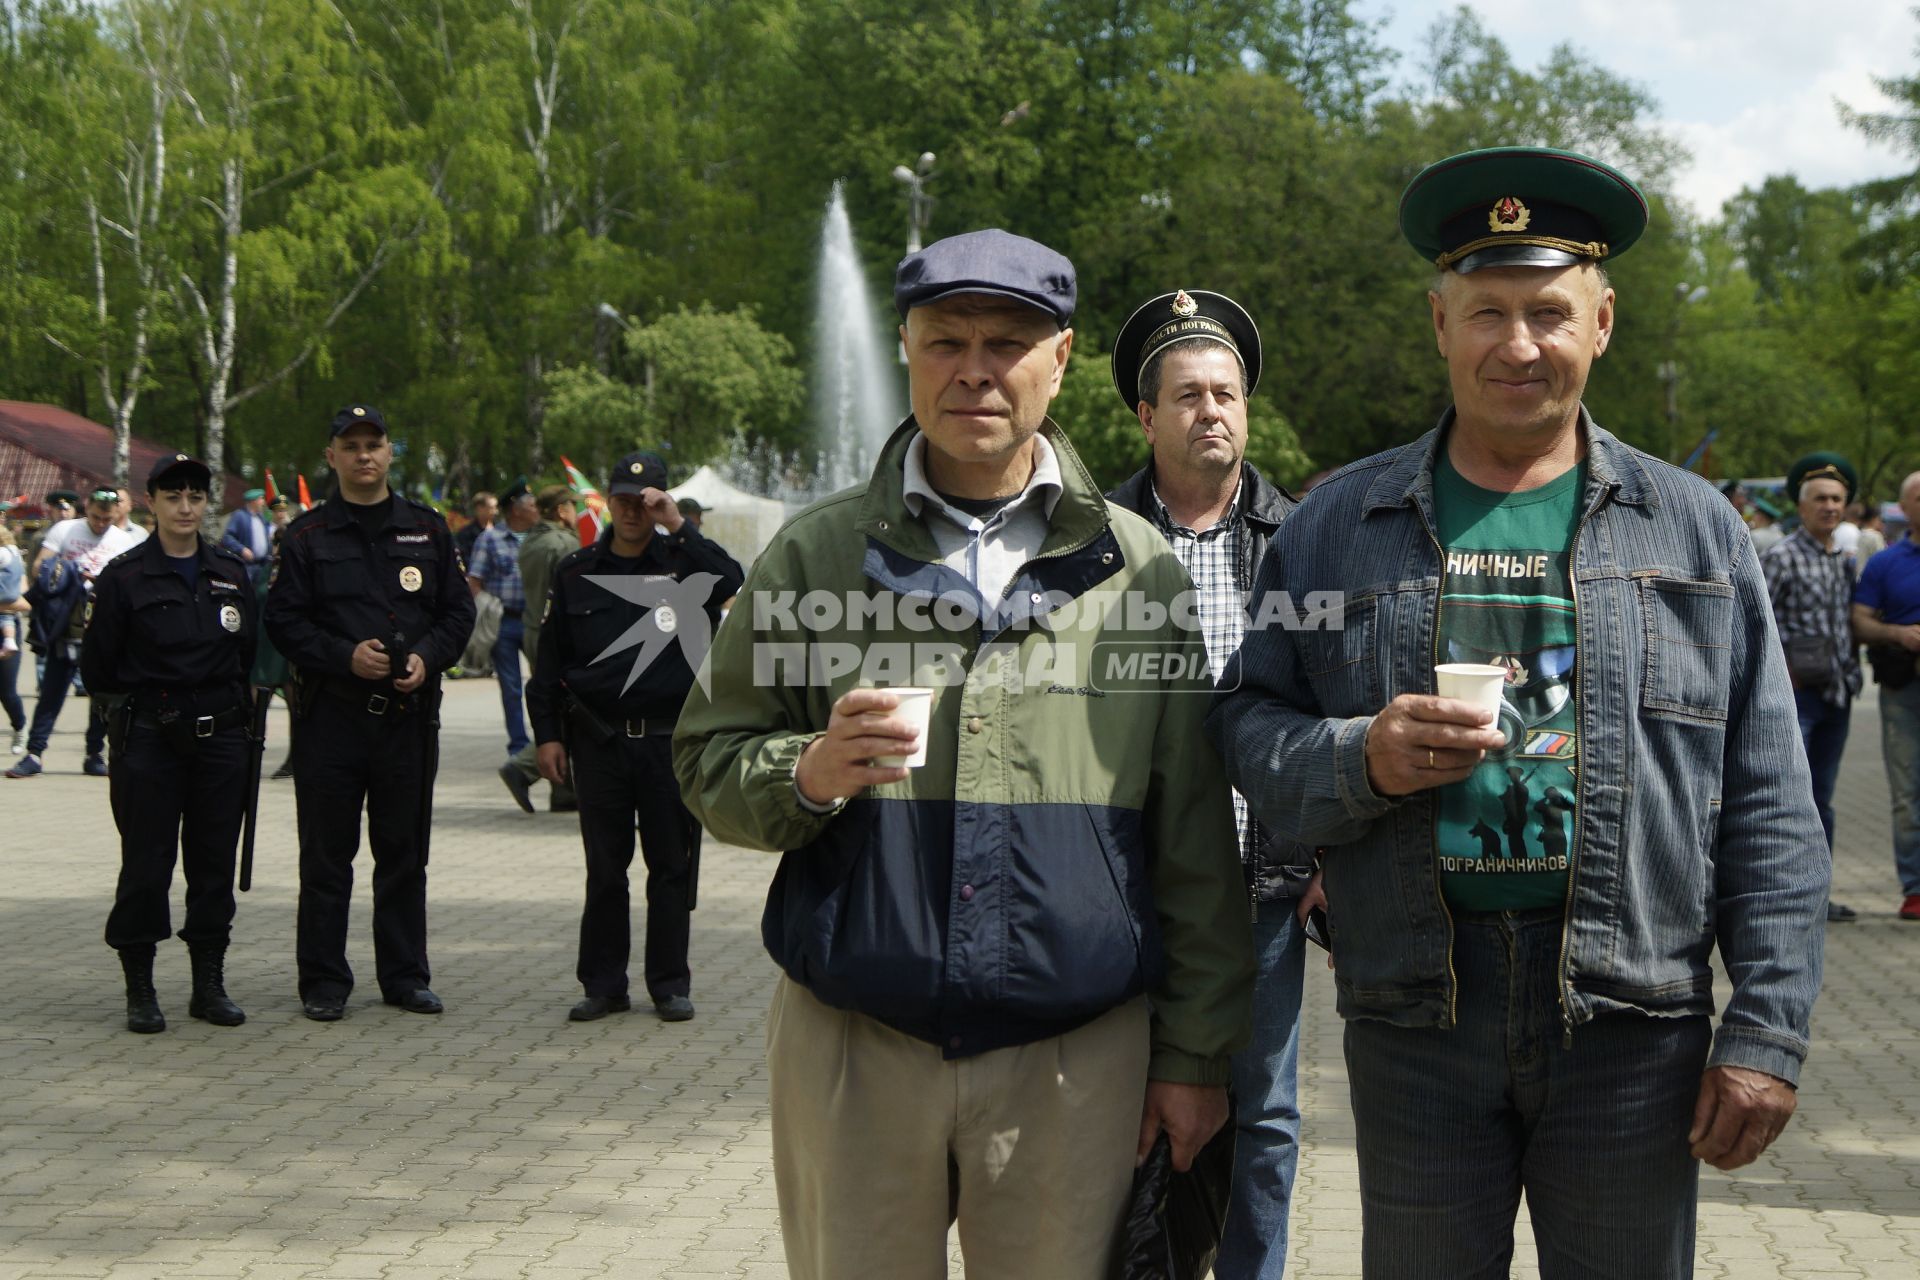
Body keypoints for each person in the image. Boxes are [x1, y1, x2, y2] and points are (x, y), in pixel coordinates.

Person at [1209, 147, 1829, 1279]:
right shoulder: (1338, 524)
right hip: (1417, 1014)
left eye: (1548, 310)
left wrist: (1767, 1030)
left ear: (1601, 321)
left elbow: (1773, 802)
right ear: (1439, 321)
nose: (1518, 343)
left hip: (1631, 1016)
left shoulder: (1694, 533)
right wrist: (1364, 760)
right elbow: (1245, 722)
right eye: (1487, 311)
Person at [674, 228, 1252, 1278]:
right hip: (855, 1045)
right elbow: (707, 761)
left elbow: (1195, 838)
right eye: (946, 341)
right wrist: (807, 772)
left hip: (1075, 1060)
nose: (976, 368)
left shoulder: (1138, 570)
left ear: (1062, 358)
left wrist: (1196, 1054)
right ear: (905, 348)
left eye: (1008, 341)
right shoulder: (817, 552)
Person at [1105, 287, 1305, 1279]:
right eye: (1188, 394)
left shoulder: (1300, 539)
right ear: (1148, 416)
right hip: (1130, 885)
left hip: (1265, 884)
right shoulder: (1088, 542)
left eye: (1227, 392)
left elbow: (1334, 705)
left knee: (1264, 1118)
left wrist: (1323, 851)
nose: (1212, 410)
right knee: (1126, 1109)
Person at [265, 404, 475, 1022]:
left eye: (374, 444)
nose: (363, 455)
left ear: (389, 453)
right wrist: (342, 656)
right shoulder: (305, 536)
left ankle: (406, 976)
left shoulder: (429, 529)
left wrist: (428, 659)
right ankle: (325, 982)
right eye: (350, 445)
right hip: (332, 717)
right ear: (331, 456)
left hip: (407, 720)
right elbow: (282, 621)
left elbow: (456, 614)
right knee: (327, 857)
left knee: (404, 854)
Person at [529, 453, 741, 1023]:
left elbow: (735, 580)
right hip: (598, 743)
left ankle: (669, 984)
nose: (631, 510)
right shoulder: (575, 571)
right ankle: (603, 985)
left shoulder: (683, 566)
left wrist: (677, 524)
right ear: (608, 500)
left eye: (644, 500)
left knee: (670, 867)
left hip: (670, 741)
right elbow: (549, 663)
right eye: (623, 498)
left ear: (659, 501)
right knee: (605, 868)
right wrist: (547, 736)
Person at [81, 453, 255, 1034]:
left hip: (220, 737)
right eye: (173, 496)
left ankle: (208, 984)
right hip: (151, 737)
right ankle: (140, 987)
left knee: (213, 864)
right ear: (150, 501)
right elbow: (99, 666)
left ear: (207, 504)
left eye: (196, 497)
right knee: (147, 864)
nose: (186, 507)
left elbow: (246, 654)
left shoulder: (230, 570)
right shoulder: (124, 575)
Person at [1762, 452, 1862, 925]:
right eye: (1820, 498)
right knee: (1790, 796)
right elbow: (1754, 621)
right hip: (1795, 696)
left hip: (1837, 695)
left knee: (1822, 794)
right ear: (1801, 507)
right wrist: (1781, 670)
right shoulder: (1780, 557)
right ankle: (1784, 895)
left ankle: (1818, 893)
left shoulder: (1844, 560)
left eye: (1837, 500)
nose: (1829, 507)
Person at [8, 488, 134, 778]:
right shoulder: (66, 530)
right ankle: (35, 753)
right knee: (52, 690)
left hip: (103, 625)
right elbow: (41, 565)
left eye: (107, 518)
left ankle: (94, 754)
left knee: (99, 694)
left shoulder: (122, 540)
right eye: (95, 517)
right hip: (67, 623)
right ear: (86, 508)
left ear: (116, 513)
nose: (101, 523)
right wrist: (67, 573)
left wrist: (103, 581)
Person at [1853, 470, 1920, 921]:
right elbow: (1860, 621)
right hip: (1903, 689)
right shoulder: (1885, 562)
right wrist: (1897, 632)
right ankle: (1915, 887)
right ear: (1905, 508)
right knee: (1907, 790)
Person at [498, 484, 578, 813]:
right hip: (562, 636)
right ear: (561, 510)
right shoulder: (564, 543)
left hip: (534, 631)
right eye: (572, 506)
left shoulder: (530, 540)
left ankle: (563, 791)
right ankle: (524, 767)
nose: (575, 512)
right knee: (573, 708)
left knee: (558, 703)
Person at [465, 482, 537, 758]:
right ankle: (518, 747)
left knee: (543, 684)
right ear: (516, 510)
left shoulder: (539, 537)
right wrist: (487, 612)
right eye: (530, 505)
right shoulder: (490, 539)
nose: (535, 510)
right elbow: (475, 581)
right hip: (504, 623)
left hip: (535, 621)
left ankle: (545, 742)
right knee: (511, 687)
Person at [0, 521, 27, 755]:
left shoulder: (10, 557)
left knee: (6, 691)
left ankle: (19, 727)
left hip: (7, 624)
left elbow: (21, 600)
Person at [221, 489, 272, 583]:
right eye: (261, 499)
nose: (263, 502)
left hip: (261, 565)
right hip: (247, 565)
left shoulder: (261, 518)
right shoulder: (239, 516)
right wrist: (242, 549)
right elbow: (227, 537)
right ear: (253, 501)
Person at [454, 491, 497, 569]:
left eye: (495, 507)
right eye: (491, 508)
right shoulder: (465, 534)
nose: (495, 511)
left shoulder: (501, 531)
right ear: (479, 508)